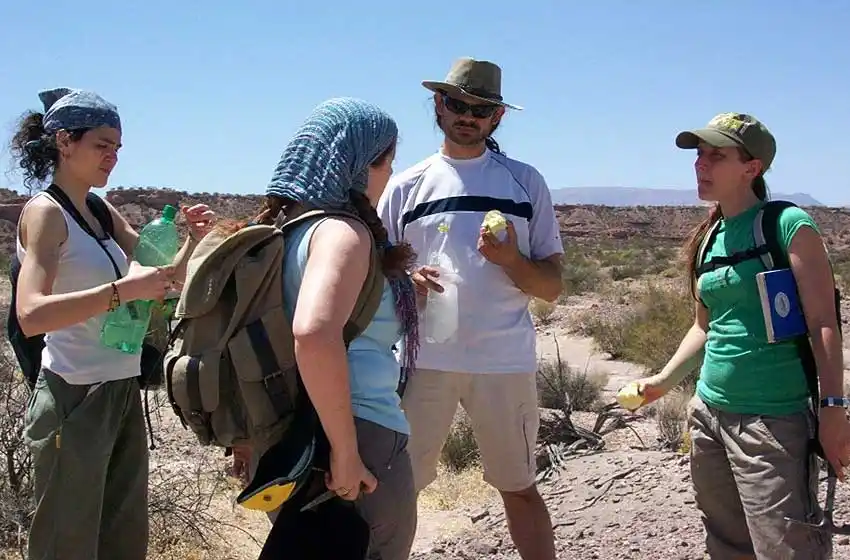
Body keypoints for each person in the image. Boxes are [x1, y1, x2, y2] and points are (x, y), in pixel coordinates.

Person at [628, 112, 850, 559]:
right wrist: (663, 382)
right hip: (710, 414)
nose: (700, 164)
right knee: (728, 543)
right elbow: (703, 326)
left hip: (772, 420)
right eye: (698, 155)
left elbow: (824, 322)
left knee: (786, 547)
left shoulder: (787, 225)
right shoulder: (708, 237)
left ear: (752, 168)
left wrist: (833, 409)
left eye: (716, 155)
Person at [9, 87, 215, 560]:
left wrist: (191, 240)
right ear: (64, 142)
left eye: (117, 148)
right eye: (102, 145)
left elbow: (160, 279)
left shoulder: (101, 210)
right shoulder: (46, 213)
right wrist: (122, 292)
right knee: (67, 542)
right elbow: (32, 313)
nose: (112, 158)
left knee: (123, 539)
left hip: (119, 392)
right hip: (74, 396)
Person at [377, 57, 562, 560]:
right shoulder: (406, 186)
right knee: (396, 492)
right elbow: (375, 273)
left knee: (519, 486)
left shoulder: (525, 183)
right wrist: (404, 282)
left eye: (480, 109)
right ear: (438, 105)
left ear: (497, 117)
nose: (467, 116)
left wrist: (511, 261)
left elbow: (551, 285)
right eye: (457, 104)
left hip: (503, 363)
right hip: (421, 363)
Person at [242, 97, 420, 560]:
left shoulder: (279, 233)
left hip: (287, 439)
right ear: (364, 165)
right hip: (355, 433)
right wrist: (345, 451)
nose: (389, 177)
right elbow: (315, 334)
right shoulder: (342, 232)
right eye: (387, 163)